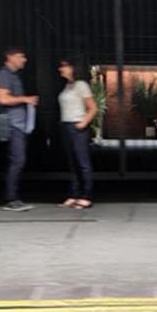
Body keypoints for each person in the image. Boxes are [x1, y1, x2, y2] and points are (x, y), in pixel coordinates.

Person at [0, 46, 38, 212]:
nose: (24, 60)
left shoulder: (13, 76)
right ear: (10, 57)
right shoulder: (3, 75)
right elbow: (2, 99)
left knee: (17, 160)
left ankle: (13, 197)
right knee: (17, 160)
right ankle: (11, 199)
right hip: (12, 124)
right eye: (21, 56)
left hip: (18, 124)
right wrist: (26, 99)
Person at [56, 59, 97, 209]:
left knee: (82, 162)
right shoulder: (67, 86)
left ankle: (87, 196)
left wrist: (83, 122)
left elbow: (93, 108)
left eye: (64, 66)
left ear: (73, 68)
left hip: (77, 126)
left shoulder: (81, 85)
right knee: (72, 163)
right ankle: (74, 194)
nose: (61, 69)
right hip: (66, 126)